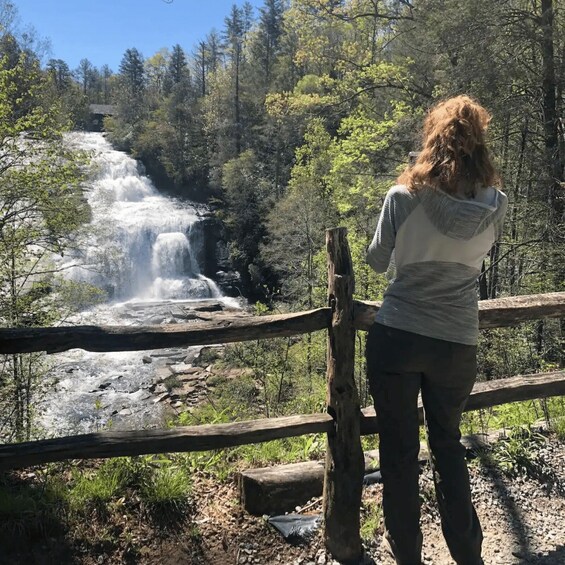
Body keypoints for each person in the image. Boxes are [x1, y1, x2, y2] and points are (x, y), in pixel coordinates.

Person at [365, 95, 507, 565]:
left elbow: (377, 260)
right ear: (479, 145)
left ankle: (407, 554)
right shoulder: (495, 205)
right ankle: (468, 553)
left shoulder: (403, 196)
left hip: (399, 334)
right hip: (457, 340)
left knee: (400, 452)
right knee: (447, 442)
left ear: (432, 139)